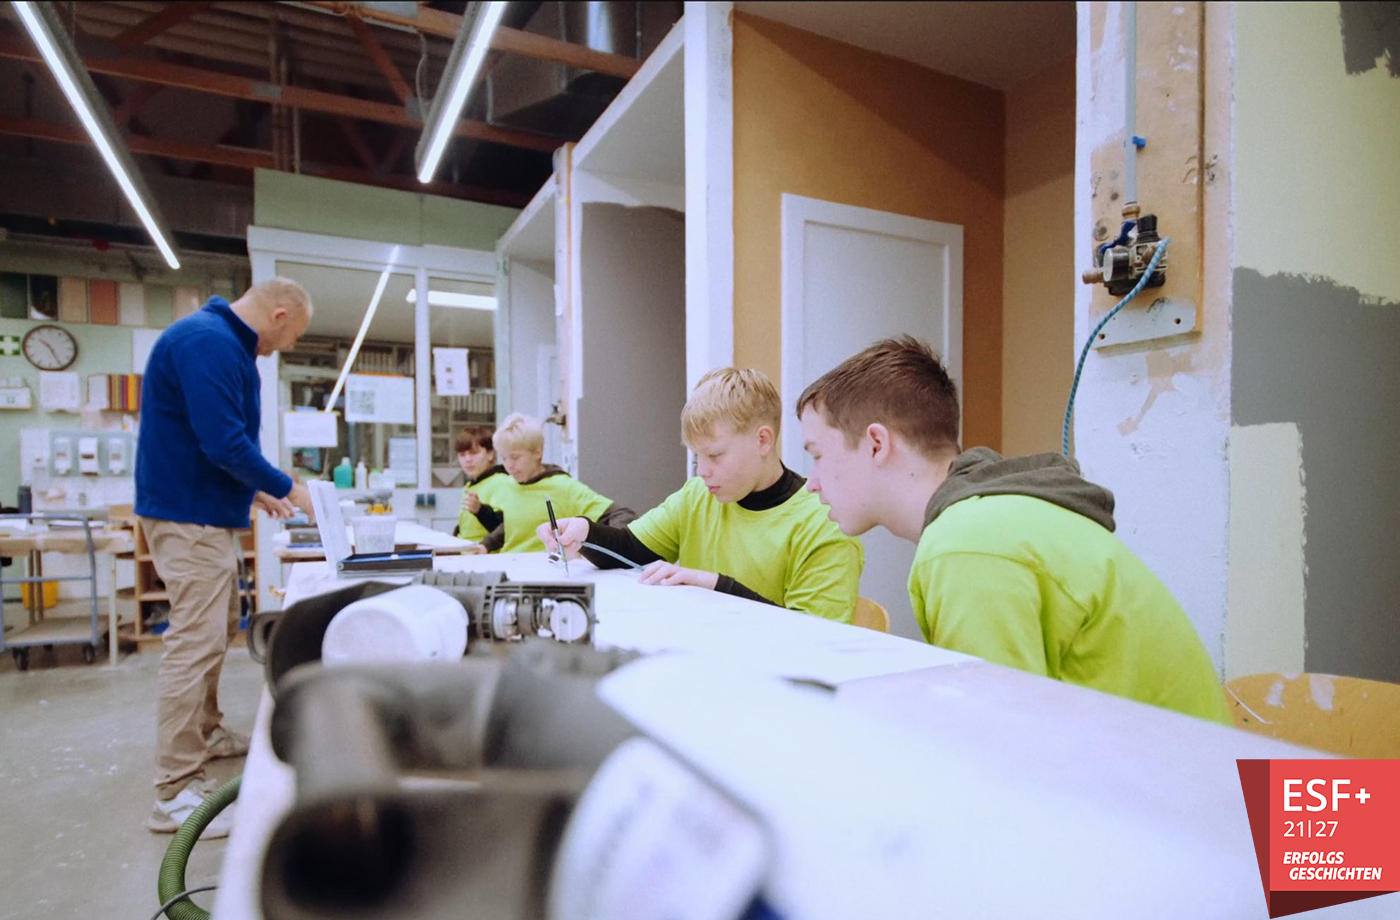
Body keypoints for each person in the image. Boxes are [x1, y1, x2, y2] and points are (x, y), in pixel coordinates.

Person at [795, 335, 1231, 723]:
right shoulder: (993, 515)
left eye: (816, 454)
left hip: (1192, 801)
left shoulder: (967, 545)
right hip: (1190, 777)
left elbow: (1001, 743)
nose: (811, 482)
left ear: (876, 443)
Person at [136, 278, 316, 836]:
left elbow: (211, 441)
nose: (282, 347)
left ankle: (207, 732)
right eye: (291, 336)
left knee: (214, 632)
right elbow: (224, 443)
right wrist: (291, 487)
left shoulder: (220, 341)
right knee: (195, 641)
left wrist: (255, 490)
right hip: (189, 518)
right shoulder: (209, 341)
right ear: (279, 313)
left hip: (204, 511)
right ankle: (174, 790)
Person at [542, 368, 864, 623]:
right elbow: (630, 550)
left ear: (763, 441)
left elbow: (814, 642)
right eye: (697, 457)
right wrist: (585, 533)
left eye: (715, 455)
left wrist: (714, 586)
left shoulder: (824, 522)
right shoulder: (698, 495)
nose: (702, 472)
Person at [475, 413, 631, 552]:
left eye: (515, 457)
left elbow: (621, 515)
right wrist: (485, 545)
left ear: (537, 451)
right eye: (504, 458)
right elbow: (515, 525)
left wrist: (609, 552)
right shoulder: (509, 485)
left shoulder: (563, 486)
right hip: (511, 565)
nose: (509, 465)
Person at [452, 425, 508, 550]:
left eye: (473, 453)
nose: (468, 460)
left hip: (487, 557)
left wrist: (480, 510)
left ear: (490, 454)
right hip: (466, 554)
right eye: (462, 455)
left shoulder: (502, 482)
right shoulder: (470, 485)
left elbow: (506, 527)